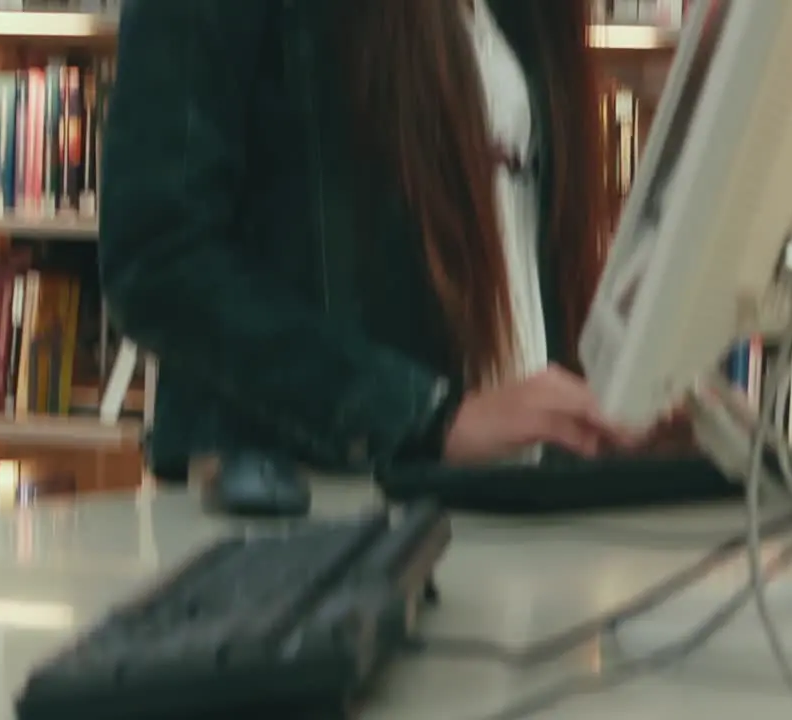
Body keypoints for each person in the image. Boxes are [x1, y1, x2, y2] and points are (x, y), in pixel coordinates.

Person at [99, 0, 684, 517]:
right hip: (315, 527)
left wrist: (619, 401)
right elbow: (158, 259)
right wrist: (424, 417)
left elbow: (523, 264)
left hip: (500, 517)